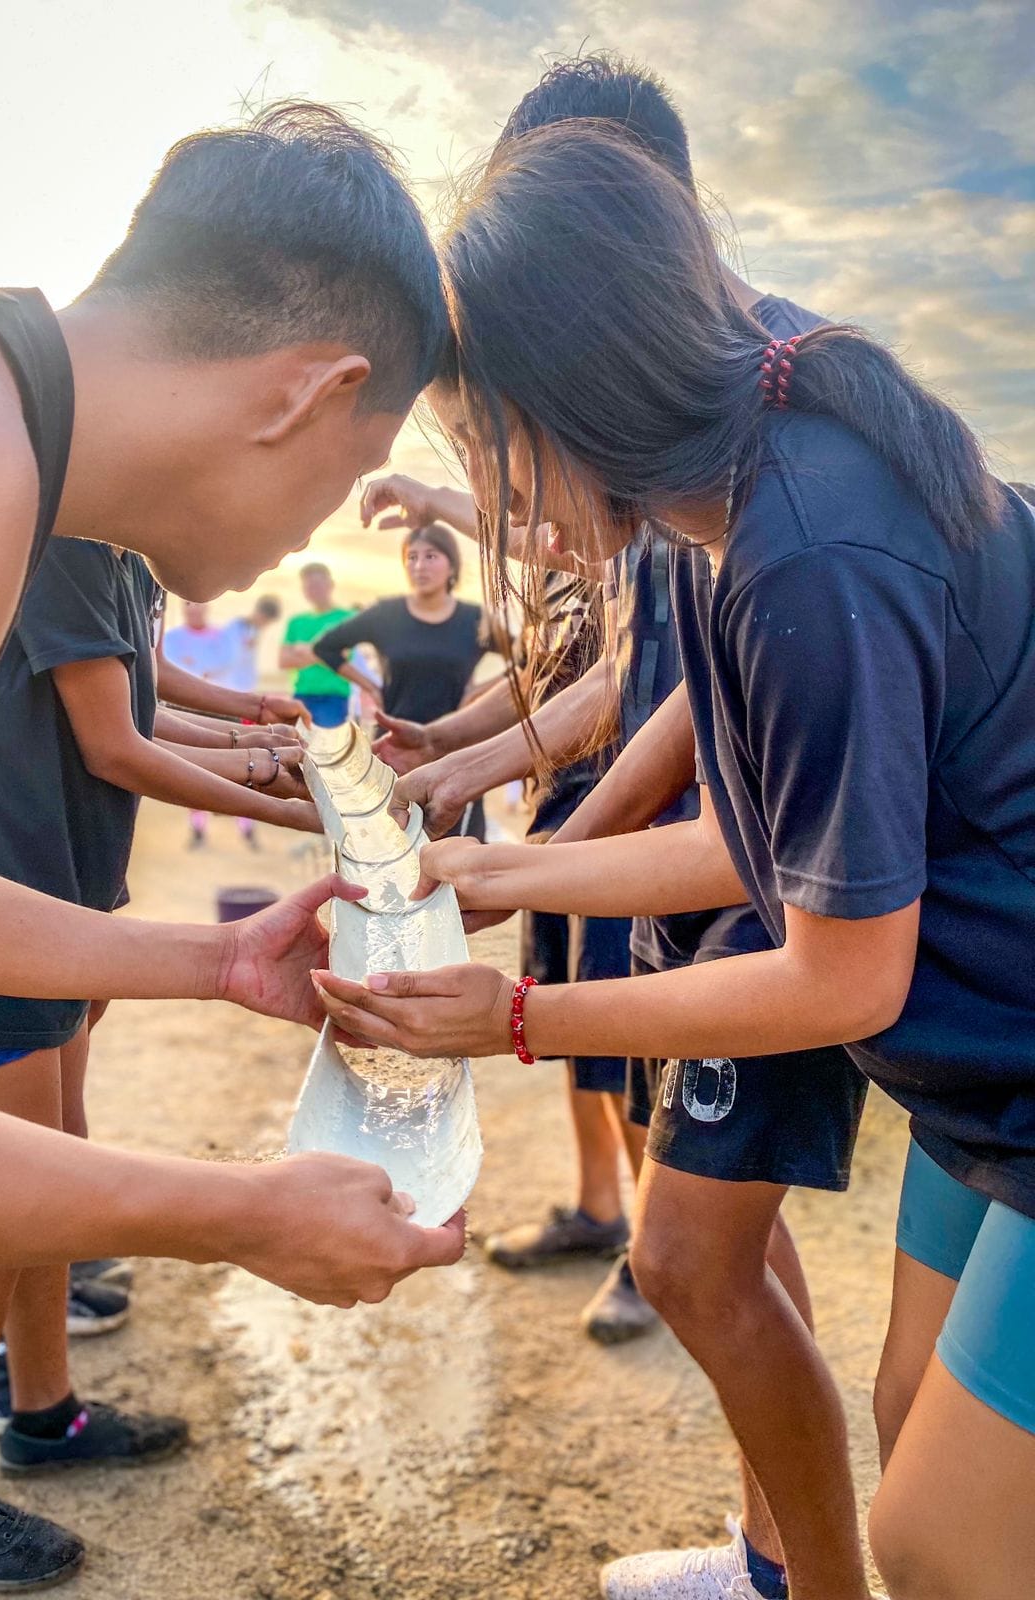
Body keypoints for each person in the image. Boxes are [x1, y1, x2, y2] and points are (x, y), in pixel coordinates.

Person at [313, 107, 1035, 1600]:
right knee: (916, 1421)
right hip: (984, 1077)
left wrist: (518, 1018)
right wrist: (491, 872)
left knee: (938, 1540)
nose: (487, 499)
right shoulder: (721, 524)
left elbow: (840, 975)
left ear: (573, 397)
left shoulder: (806, 553)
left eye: (482, 449)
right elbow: (747, 845)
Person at [0, 99, 466, 1586]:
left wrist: (220, 958)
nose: (319, 529)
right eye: (348, 478)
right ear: (315, 391)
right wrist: (238, 1214)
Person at [357, 57, 869, 1600]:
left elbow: (718, 791)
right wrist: (492, 834)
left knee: (701, 1259)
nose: (509, 497)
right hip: (756, 892)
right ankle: (774, 1557)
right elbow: (685, 717)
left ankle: (802, 1570)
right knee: (706, 1252)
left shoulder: (780, 490)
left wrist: (516, 964)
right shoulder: (702, 456)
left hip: (844, 953)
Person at [361, 474, 652, 1340]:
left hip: (623, 828)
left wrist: (433, 499)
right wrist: (444, 738)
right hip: (556, 819)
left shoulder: (633, 544)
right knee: (568, 1037)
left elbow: (615, 683)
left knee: (621, 1043)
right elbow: (538, 675)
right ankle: (599, 1209)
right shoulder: (561, 571)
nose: (530, 529)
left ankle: (653, 1248)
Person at [311, 523, 489, 838]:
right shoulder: (387, 615)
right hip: (394, 748)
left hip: (456, 751)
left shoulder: (474, 619)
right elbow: (326, 647)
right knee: (392, 844)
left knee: (459, 849)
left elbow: (526, 660)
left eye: (430, 556)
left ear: (452, 566)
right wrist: (370, 686)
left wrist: (478, 693)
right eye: (412, 557)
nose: (419, 566)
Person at [162, 594, 286, 847]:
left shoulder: (223, 636)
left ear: (207, 605)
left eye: (198, 602)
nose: (194, 608)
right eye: (189, 603)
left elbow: (230, 666)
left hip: (224, 707)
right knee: (195, 769)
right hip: (191, 712)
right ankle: (198, 828)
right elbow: (172, 676)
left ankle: (247, 825)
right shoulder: (171, 639)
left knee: (243, 767)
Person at [279, 561, 357, 727]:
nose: (312, 590)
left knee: (327, 743)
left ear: (330, 585)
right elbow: (284, 661)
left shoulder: (347, 618)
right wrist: (325, 652)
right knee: (295, 741)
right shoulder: (296, 621)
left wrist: (303, 650)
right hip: (301, 695)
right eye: (308, 587)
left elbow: (343, 655)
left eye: (317, 585)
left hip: (334, 698)